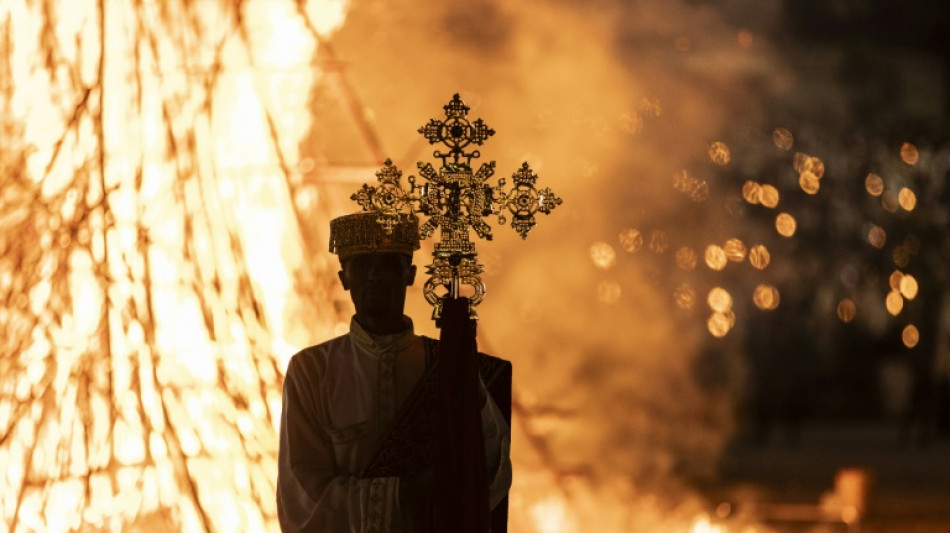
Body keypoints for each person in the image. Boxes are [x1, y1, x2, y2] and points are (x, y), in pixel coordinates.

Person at [277, 212, 512, 532]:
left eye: (387, 264)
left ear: (410, 274)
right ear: (344, 278)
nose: (374, 276)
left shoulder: (449, 366)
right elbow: (301, 495)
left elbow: (491, 473)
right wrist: (405, 492)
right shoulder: (311, 371)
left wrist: (462, 373)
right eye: (361, 265)